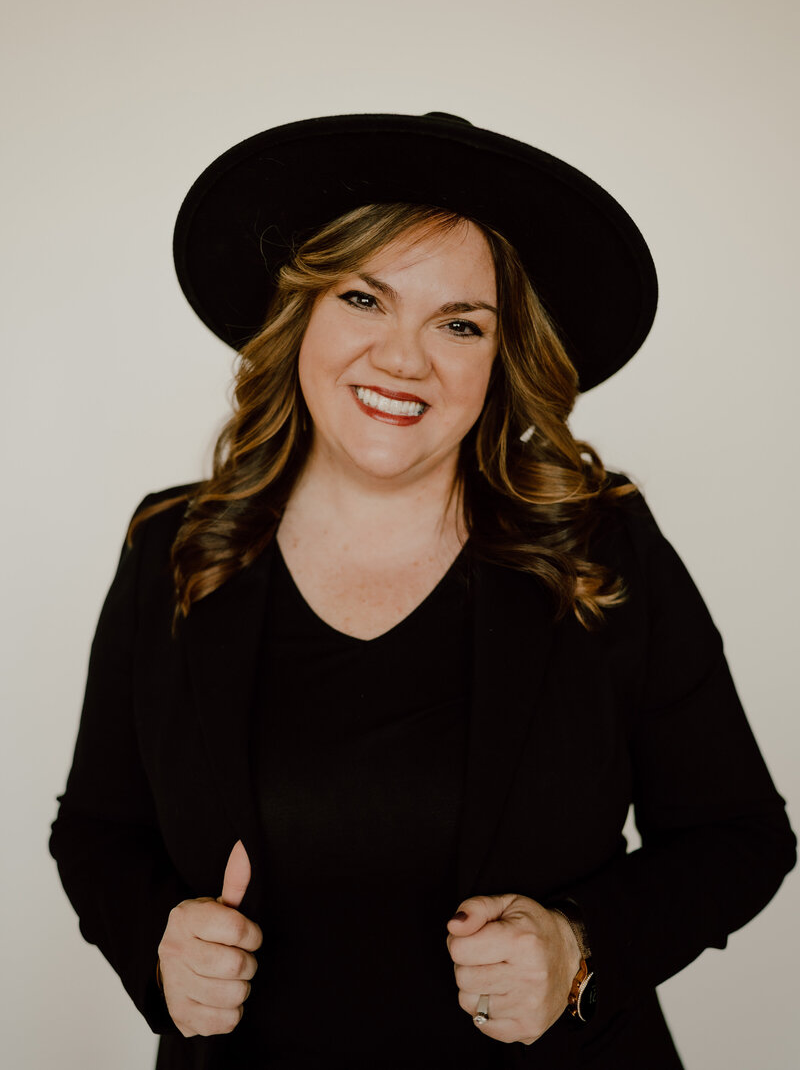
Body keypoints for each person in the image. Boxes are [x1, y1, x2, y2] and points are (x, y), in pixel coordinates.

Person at [50, 112, 795, 1070]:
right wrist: (156, 946)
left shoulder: (599, 548)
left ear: (501, 358)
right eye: (365, 300)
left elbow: (739, 836)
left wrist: (581, 948)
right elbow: (99, 830)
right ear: (300, 315)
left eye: (458, 323)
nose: (404, 359)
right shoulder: (175, 546)